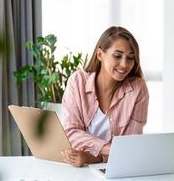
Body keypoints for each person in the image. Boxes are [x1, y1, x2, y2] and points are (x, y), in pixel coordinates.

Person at [61, 26, 149, 167]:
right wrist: (109, 149)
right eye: (117, 56)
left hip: (116, 167)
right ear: (100, 54)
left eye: (130, 58)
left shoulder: (138, 89)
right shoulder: (77, 81)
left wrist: (92, 157)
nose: (124, 64)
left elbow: (130, 145)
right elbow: (71, 132)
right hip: (77, 168)